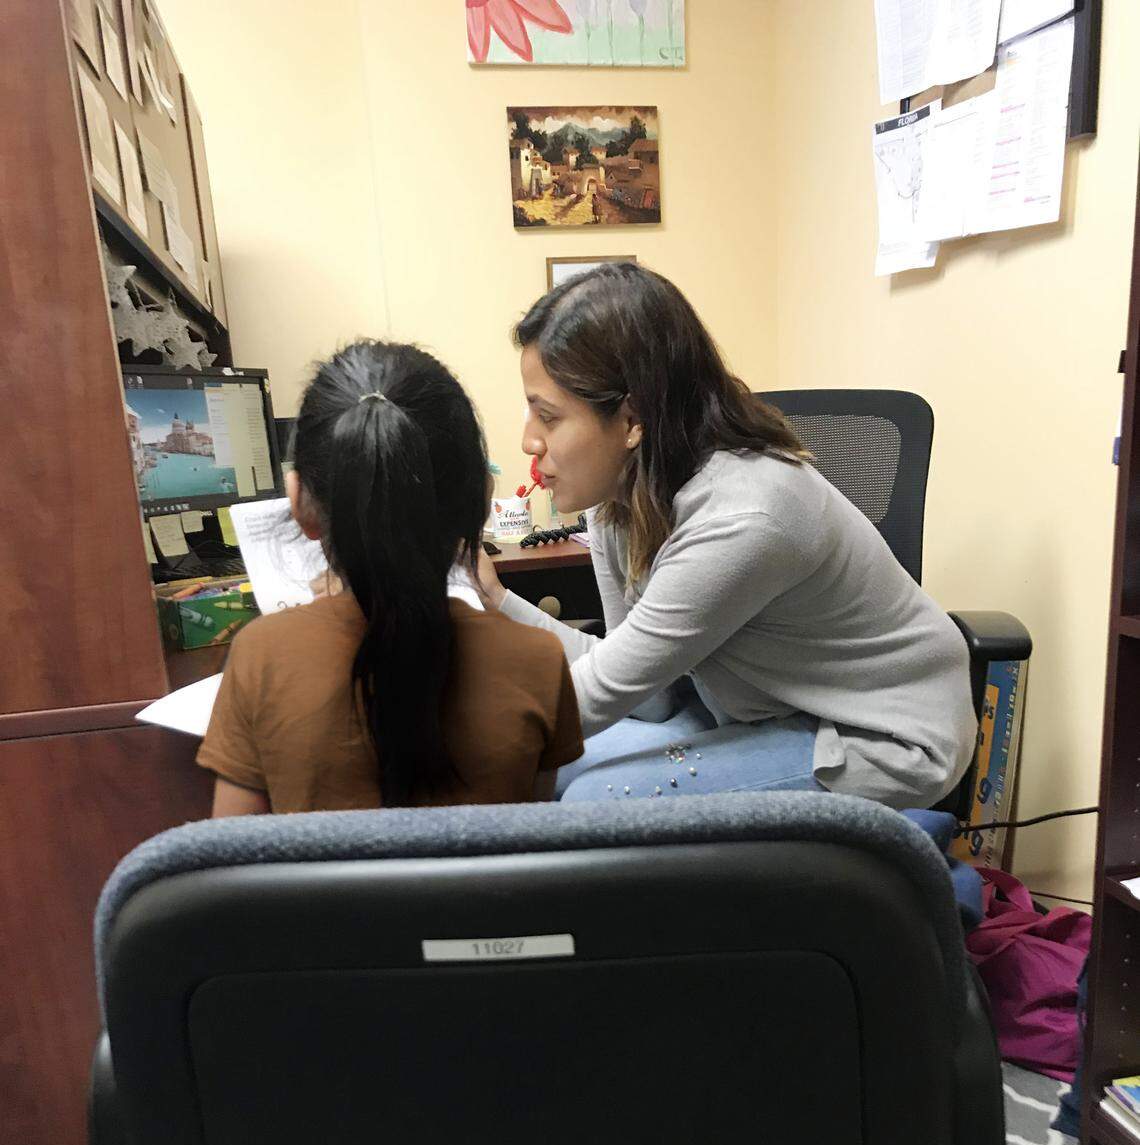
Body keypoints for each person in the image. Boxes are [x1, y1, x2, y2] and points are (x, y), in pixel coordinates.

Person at [477, 263, 976, 810]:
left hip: (880, 738)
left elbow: (603, 692)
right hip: (768, 714)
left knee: (593, 803)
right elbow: (645, 693)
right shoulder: (620, 501)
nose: (528, 440)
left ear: (632, 418)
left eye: (547, 416)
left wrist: (443, 740)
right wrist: (497, 600)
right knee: (554, 774)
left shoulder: (744, 518)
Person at [198, 341, 583, 816]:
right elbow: (528, 845)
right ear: (482, 500)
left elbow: (234, 866)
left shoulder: (260, 657)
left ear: (299, 503)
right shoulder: (540, 662)